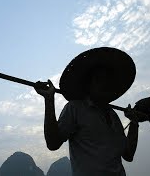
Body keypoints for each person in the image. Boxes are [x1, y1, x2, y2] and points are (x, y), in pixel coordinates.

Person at [34, 47, 139, 176]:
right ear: (88, 84)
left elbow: (128, 155)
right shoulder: (75, 108)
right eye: (99, 79)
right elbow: (53, 143)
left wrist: (134, 123)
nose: (105, 84)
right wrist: (49, 100)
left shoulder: (113, 116)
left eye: (108, 80)